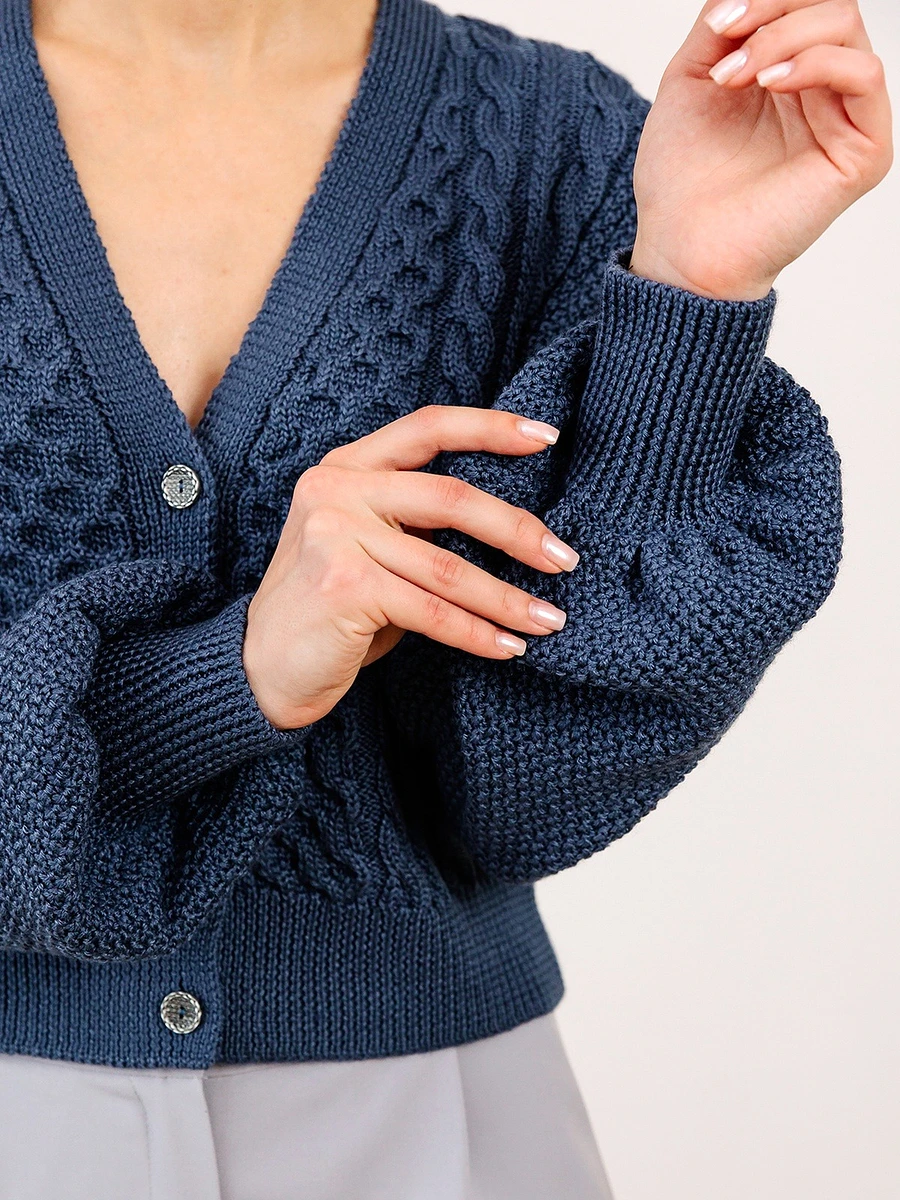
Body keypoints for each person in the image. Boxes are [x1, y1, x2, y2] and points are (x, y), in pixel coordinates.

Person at [0, 0, 889, 1195]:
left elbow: (538, 801)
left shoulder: (557, 138)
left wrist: (691, 294)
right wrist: (230, 677)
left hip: (439, 1117)